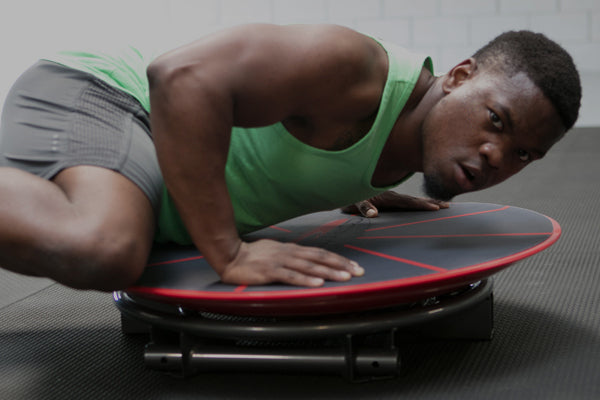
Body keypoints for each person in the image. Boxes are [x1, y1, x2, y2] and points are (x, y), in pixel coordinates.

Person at [0, 24, 581, 291]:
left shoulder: (413, 142)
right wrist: (228, 253)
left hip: (147, 152)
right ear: (458, 77)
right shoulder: (351, 68)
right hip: (112, 96)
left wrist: (359, 183)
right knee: (104, 250)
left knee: (117, 241)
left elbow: (315, 145)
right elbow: (179, 75)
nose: (496, 156)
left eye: (523, 152)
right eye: (496, 122)